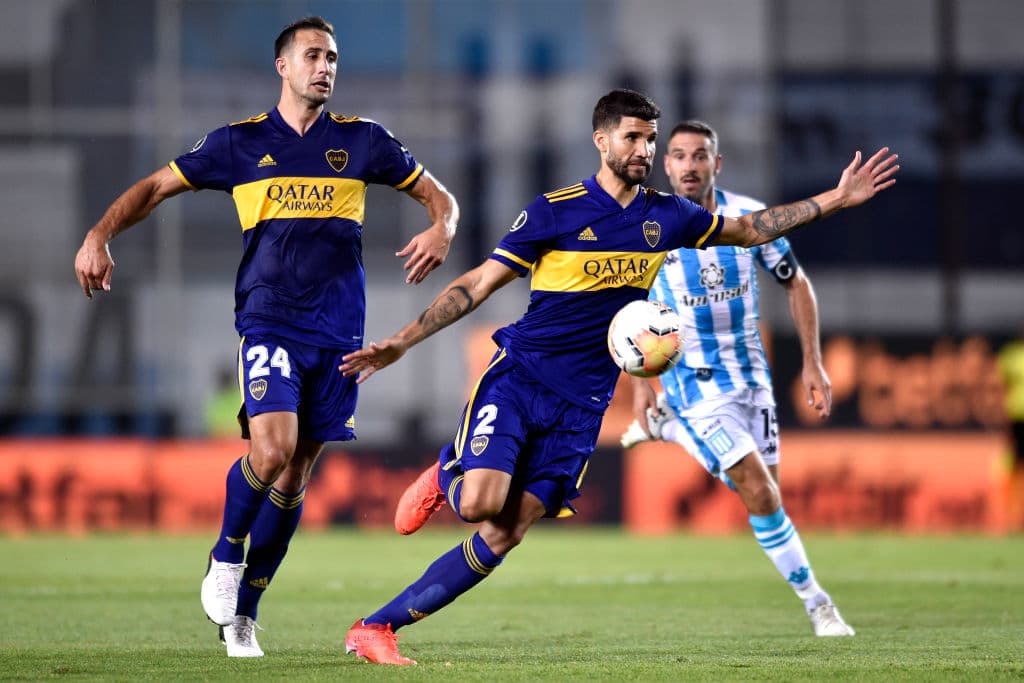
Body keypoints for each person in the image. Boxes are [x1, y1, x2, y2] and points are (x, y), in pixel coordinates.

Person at [338, 89, 897, 665]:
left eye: (650, 139)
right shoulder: (555, 211)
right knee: (480, 504)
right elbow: (477, 285)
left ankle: (375, 628)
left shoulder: (668, 215)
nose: (644, 149)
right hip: (522, 379)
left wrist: (837, 197)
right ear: (601, 140)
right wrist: (402, 341)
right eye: (633, 137)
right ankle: (448, 470)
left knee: (506, 533)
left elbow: (752, 229)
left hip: (583, 407)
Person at [73, 16, 459, 658]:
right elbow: (155, 188)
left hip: (339, 333)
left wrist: (441, 228)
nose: (325, 67)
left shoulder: (363, 142)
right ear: (283, 66)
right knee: (272, 448)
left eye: (332, 57)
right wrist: (99, 235)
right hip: (269, 317)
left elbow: (438, 196)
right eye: (312, 55)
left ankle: (244, 615)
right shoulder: (239, 144)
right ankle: (224, 557)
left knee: (297, 472)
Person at [618, 120, 853, 636]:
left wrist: (812, 361)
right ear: (666, 165)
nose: (688, 165)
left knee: (765, 498)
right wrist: (641, 383)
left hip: (751, 379)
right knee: (759, 491)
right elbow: (628, 309)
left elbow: (795, 283)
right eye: (677, 155)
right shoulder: (648, 229)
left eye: (699, 155)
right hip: (693, 384)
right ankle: (819, 605)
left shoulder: (747, 216)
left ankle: (670, 431)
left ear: (715, 164)